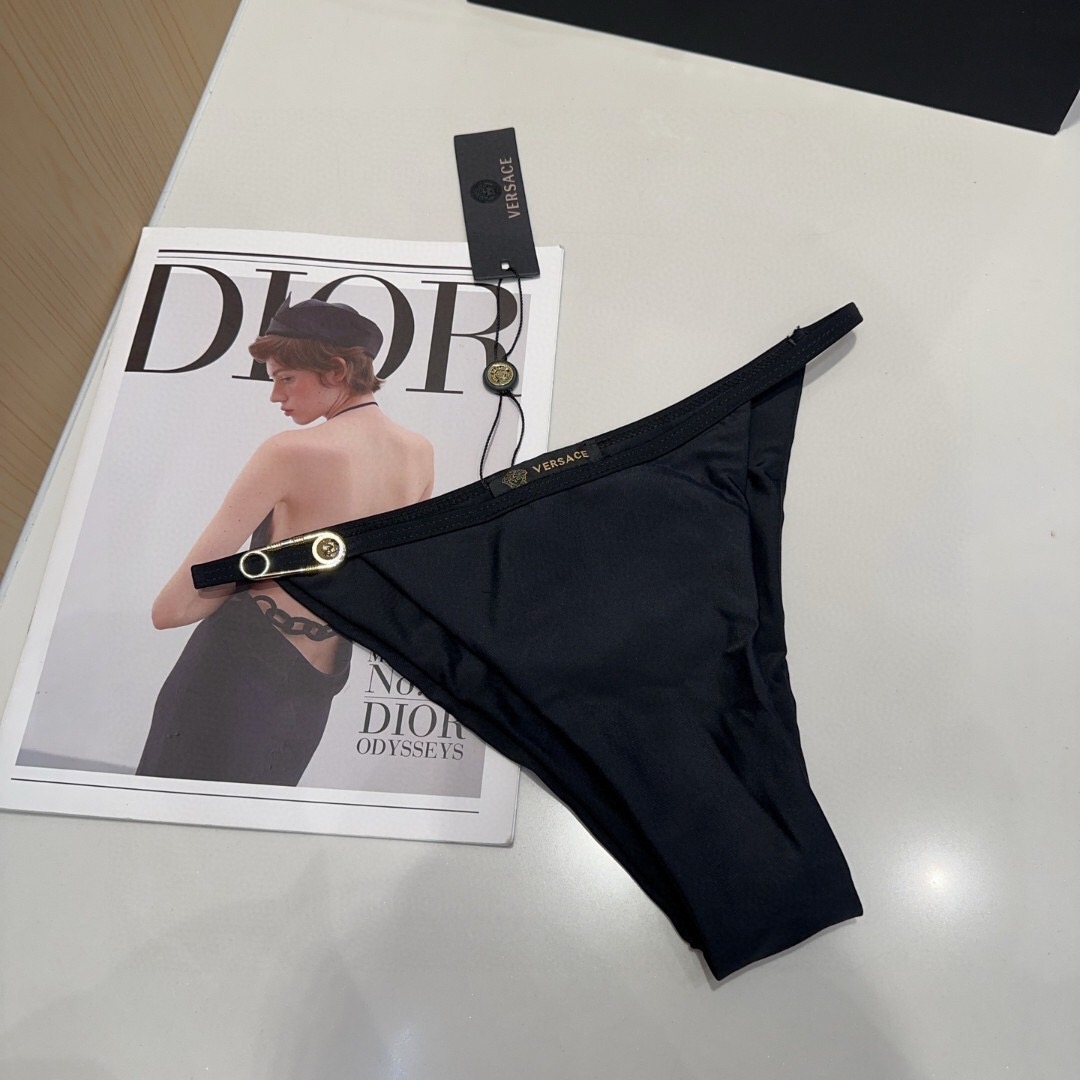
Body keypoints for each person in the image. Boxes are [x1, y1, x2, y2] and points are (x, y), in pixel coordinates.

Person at [137, 298, 434, 785]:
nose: (276, 396)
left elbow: (171, 609)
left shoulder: (290, 452)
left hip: (231, 671)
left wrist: (253, 574)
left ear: (336, 370)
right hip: (318, 684)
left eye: (286, 378)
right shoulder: (419, 455)